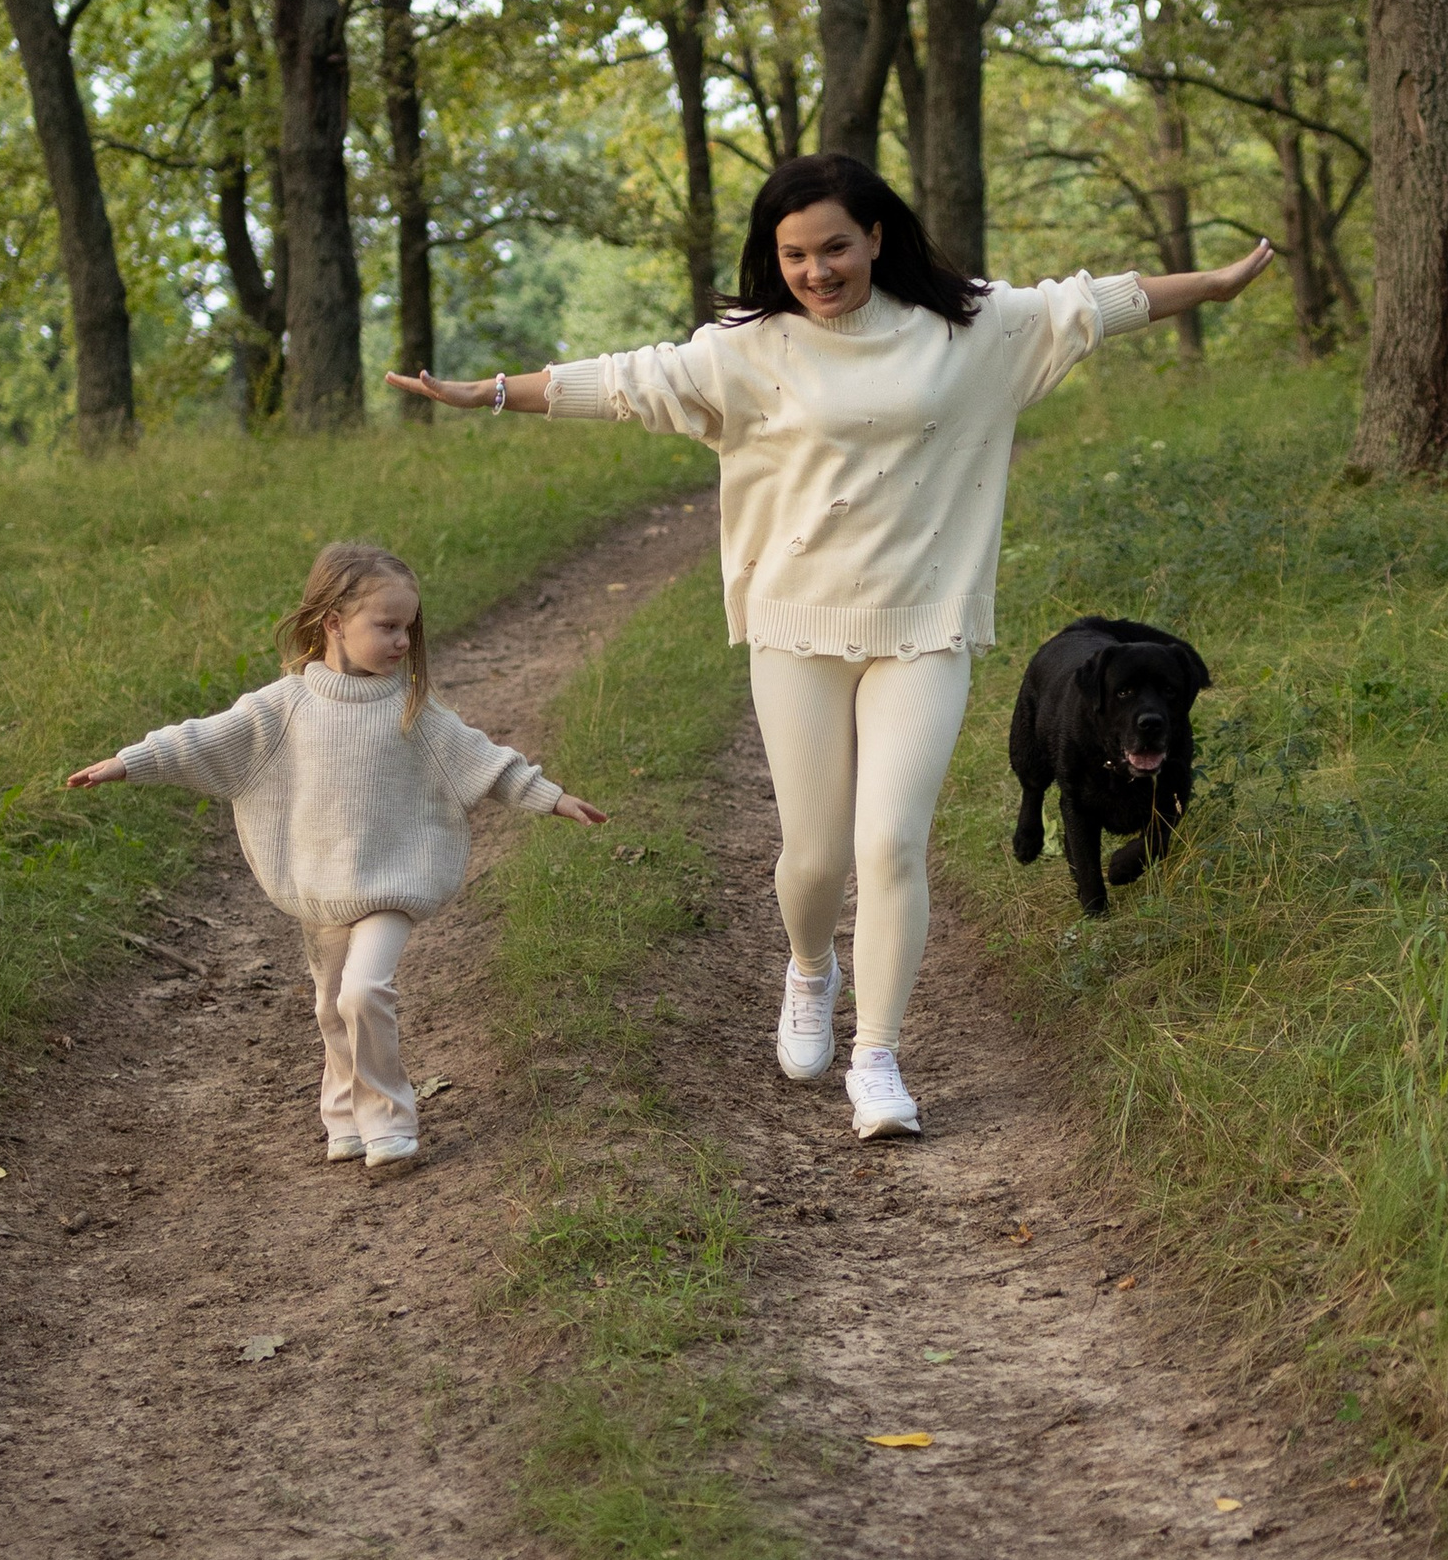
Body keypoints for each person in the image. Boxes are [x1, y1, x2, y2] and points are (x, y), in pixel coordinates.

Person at [389, 157, 1270, 1141]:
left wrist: (1218, 284)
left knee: (888, 843)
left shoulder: (969, 328)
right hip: (797, 627)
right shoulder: (748, 350)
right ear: (774, 256)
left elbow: (1093, 305)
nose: (817, 270)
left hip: (923, 629)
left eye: (835, 247)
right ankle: (811, 965)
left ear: (877, 237)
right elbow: (628, 380)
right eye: (795, 253)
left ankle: (878, 1056)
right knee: (812, 856)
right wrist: (491, 392)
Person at [67, 539, 606, 1179]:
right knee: (330, 1006)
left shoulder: (413, 709)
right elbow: (203, 739)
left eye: (409, 627)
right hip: (321, 887)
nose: (403, 641)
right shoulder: (284, 705)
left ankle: (391, 1123)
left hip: (392, 883)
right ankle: (344, 1115)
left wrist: (552, 798)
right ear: (332, 624)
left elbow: (483, 760)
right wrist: (130, 763)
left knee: (364, 989)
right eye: (386, 626)